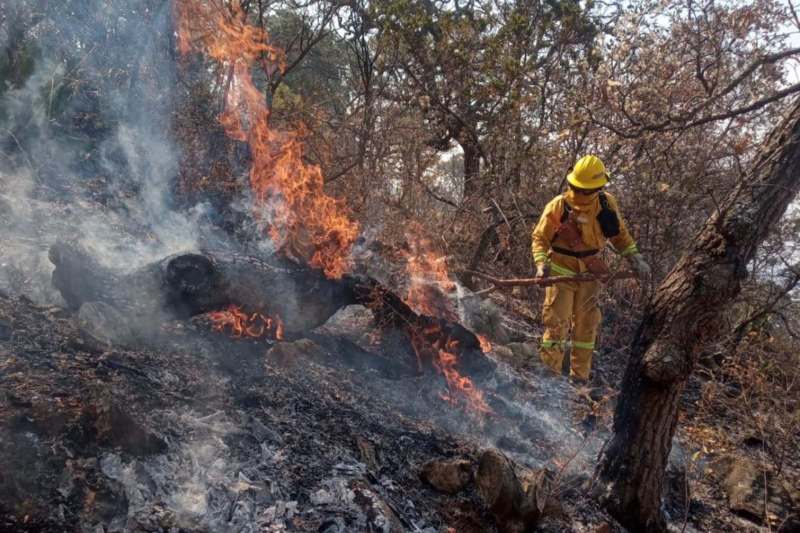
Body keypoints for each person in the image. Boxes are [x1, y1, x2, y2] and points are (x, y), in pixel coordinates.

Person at [531, 155, 650, 383]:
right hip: (560, 274)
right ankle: (548, 380)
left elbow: (619, 235)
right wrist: (541, 264)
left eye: (586, 190)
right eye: (577, 188)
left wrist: (635, 257)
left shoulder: (606, 205)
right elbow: (539, 238)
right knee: (556, 326)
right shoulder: (558, 205)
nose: (580, 194)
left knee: (586, 330)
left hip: (590, 276)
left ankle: (579, 382)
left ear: (599, 187)